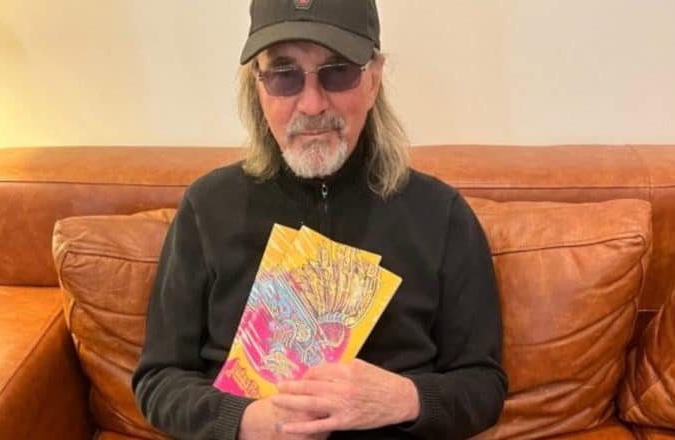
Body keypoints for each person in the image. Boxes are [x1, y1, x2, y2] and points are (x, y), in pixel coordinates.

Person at [132, 1, 507, 439]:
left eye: (338, 71)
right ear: (257, 86)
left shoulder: (441, 213)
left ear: (373, 80)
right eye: (284, 75)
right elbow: (157, 379)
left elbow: (484, 385)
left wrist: (404, 399)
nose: (311, 105)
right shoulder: (207, 207)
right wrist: (245, 423)